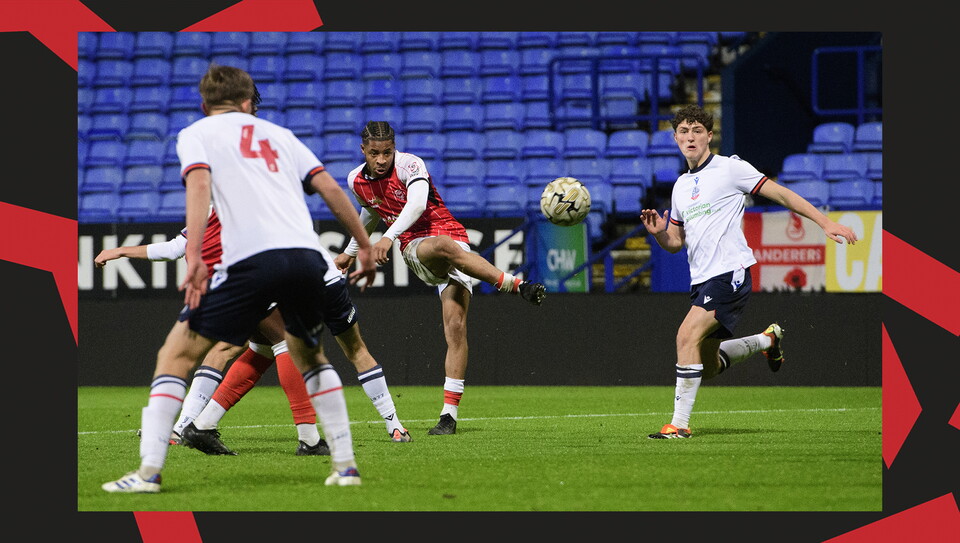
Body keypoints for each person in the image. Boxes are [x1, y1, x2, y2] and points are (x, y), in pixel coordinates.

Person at [102, 63, 380, 493]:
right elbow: (328, 186)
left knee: (175, 355)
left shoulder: (197, 134)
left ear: (204, 104)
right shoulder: (280, 135)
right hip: (307, 259)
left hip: (250, 261)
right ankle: (344, 466)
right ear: (248, 102)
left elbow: (198, 187)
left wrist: (194, 254)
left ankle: (148, 473)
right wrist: (363, 243)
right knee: (310, 355)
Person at [95, 209, 411, 457]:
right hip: (268, 281)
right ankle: (309, 438)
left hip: (236, 285)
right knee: (285, 343)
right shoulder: (244, 203)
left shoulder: (219, 205)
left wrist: (121, 251)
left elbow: (177, 247)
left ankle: (191, 425)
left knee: (244, 349)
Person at [640, 104, 859, 439]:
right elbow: (675, 242)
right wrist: (658, 231)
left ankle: (679, 426)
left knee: (685, 336)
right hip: (701, 280)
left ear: (709, 136)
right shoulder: (682, 186)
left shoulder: (730, 169)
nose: (690, 137)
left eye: (697, 130)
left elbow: (781, 193)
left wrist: (825, 222)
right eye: (683, 132)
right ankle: (767, 339)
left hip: (731, 273)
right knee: (708, 367)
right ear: (675, 139)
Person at [333, 121, 546, 436]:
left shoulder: (410, 164)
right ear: (363, 150)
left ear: (395, 148)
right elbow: (371, 212)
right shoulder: (355, 180)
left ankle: (449, 416)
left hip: (451, 236)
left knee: (456, 327)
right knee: (443, 248)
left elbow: (418, 203)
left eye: (387, 152)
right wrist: (351, 251)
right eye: (375, 153)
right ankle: (514, 285)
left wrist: (386, 238)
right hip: (416, 246)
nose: (381, 160)